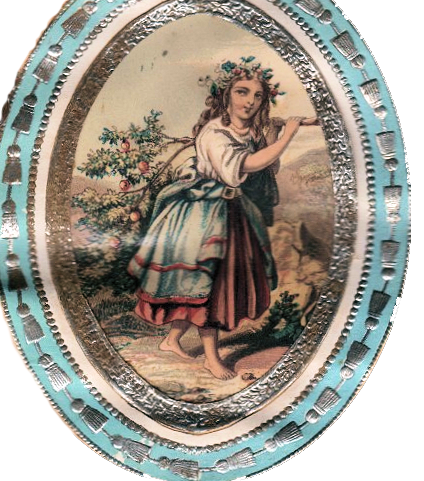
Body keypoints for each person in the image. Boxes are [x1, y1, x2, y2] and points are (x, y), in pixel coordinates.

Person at [127, 57, 316, 380]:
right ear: (226, 96)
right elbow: (241, 169)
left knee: (206, 285)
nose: (250, 101)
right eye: (242, 92)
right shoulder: (214, 132)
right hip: (202, 216)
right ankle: (211, 358)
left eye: (258, 96)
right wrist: (288, 137)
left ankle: (172, 340)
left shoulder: (247, 131)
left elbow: (266, 167)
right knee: (209, 286)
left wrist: (273, 134)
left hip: (231, 214)